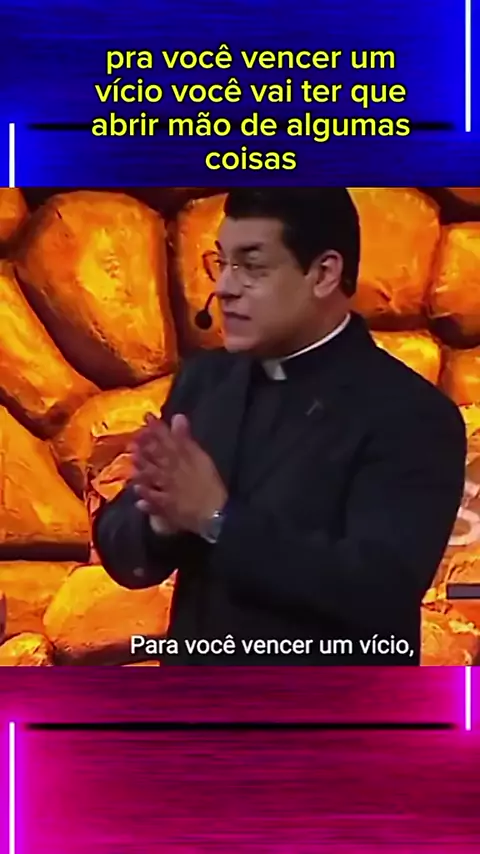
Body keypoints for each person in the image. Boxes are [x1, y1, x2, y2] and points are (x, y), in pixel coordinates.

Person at [93, 187, 467, 665]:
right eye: (221, 262)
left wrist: (217, 519)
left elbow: (379, 590)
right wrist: (161, 521)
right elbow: (122, 542)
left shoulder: (411, 414)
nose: (224, 287)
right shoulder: (206, 381)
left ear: (323, 273)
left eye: (252, 266)